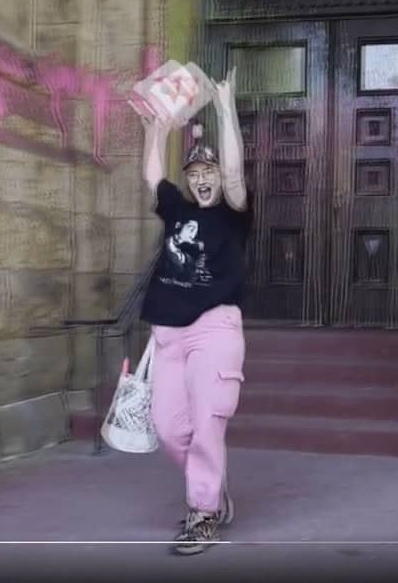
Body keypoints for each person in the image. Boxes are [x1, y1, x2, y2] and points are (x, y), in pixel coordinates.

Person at [138, 68, 251, 556]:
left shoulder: (233, 212)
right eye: (197, 174)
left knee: (208, 424)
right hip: (168, 332)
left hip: (216, 327)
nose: (205, 180)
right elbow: (152, 176)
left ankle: (203, 511)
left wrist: (224, 107)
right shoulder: (178, 210)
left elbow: (234, 174)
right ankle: (212, 487)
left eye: (209, 174)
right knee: (168, 428)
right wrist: (157, 127)